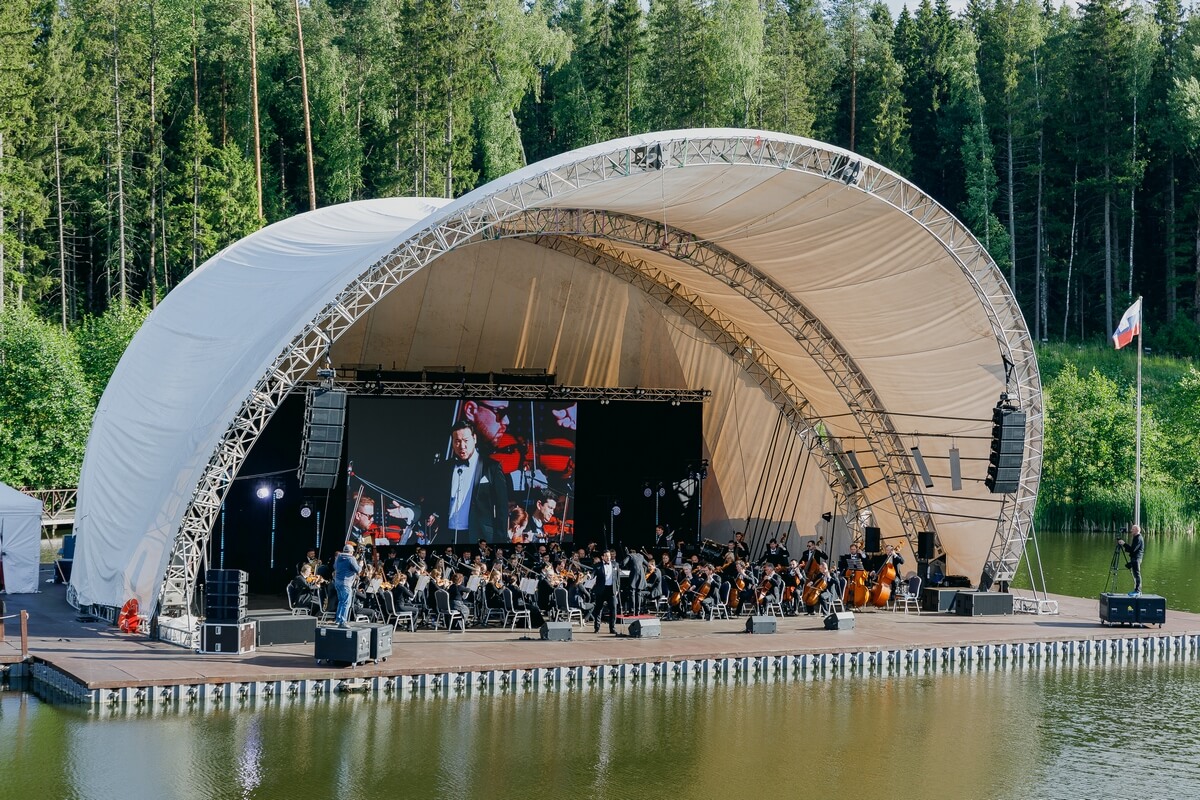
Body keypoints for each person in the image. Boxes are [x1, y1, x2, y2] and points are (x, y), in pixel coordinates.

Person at [439, 421, 509, 544]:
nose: (462, 446)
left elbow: (502, 508)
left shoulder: (491, 467)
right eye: (457, 441)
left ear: (474, 439)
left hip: (479, 536)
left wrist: (501, 540)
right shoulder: (445, 468)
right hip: (448, 534)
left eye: (466, 440)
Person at [332, 543, 362, 626]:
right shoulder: (351, 558)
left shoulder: (338, 557)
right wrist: (360, 565)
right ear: (351, 552)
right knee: (346, 603)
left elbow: (335, 567)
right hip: (346, 583)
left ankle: (338, 620)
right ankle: (343, 622)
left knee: (341, 601)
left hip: (337, 582)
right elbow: (358, 570)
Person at [592, 550, 619, 633]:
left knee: (613, 608)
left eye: (609, 556)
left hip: (611, 589)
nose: (608, 557)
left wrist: (617, 589)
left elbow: (617, 578)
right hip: (601, 589)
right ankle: (597, 627)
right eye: (606, 556)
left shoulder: (615, 564)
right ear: (602, 557)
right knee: (598, 609)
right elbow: (593, 574)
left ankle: (612, 628)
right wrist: (589, 576)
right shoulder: (598, 565)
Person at [1118, 525, 1145, 596]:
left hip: (1137, 559)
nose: (1131, 530)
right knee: (1136, 574)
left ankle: (1138, 591)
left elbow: (1132, 549)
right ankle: (1136, 590)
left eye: (1132, 529)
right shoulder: (1136, 537)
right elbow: (1132, 550)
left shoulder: (1138, 538)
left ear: (1136, 530)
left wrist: (1124, 544)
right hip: (1134, 558)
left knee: (1137, 574)